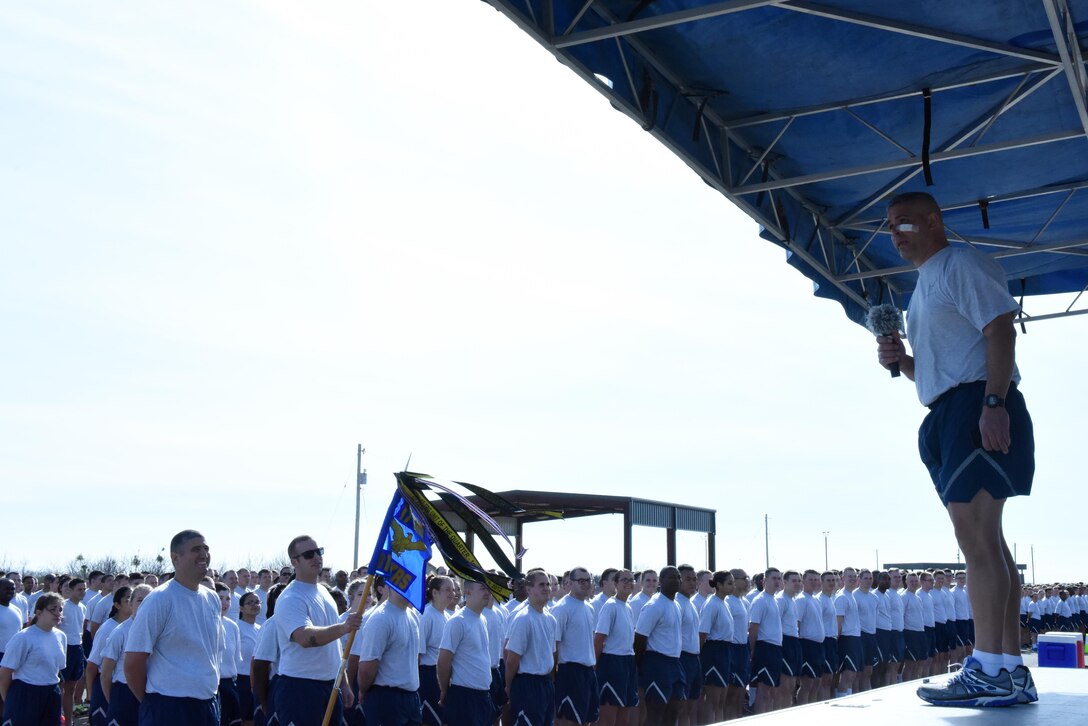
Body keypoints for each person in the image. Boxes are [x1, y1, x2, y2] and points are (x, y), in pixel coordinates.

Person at [876, 190, 1035, 707]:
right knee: (988, 541)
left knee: (978, 542)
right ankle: (1008, 668)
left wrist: (994, 401)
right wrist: (902, 360)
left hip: (975, 406)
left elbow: (1000, 329)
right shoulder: (920, 291)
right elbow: (939, 376)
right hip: (950, 411)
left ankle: (988, 666)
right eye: (890, 226)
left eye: (904, 222)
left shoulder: (959, 264)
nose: (896, 233)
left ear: (933, 221)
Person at [125, 530, 225, 725]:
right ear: (175, 557)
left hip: (208, 704)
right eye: (196, 549)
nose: (204, 554)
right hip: (168, 707)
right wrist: (153, 705)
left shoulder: (212, 598)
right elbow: (132, 664)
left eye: (206, 548)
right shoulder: (159, 600)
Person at [275, 535, 360, 726]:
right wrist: (344, 627)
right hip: (300, 687)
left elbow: (334, 646)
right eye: (308, 554)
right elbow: (304, 637)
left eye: (318, 552)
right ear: (295, 562)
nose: (316, 557)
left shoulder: (324, 592)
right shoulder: (291, 597)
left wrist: (344, 683)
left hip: (330, 685)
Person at [352, 582, 421, 726]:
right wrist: (363, 690)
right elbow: (366, 668)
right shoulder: (381, 618)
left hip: (411, 697)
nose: (410, 586)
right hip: (386, 699)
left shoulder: (412, 616)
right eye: (404, 581)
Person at [0, 593, 67, 725]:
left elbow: (56, 670)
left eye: (60, 609)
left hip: (51, 693)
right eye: (53, 609)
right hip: (25, 693)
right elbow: (5, 673)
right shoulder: (23, 637)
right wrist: (11, 702)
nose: (58, 613)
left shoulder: (61, 636)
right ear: (38, 612)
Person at [437, 579, 494, 726]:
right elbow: (443, 661)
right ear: (468, 592)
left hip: (482, 695)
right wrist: (444, 691)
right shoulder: (458, 621)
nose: (488, 592)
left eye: (488, 589)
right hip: (464, 696)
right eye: (483, 588)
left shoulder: (482, 619)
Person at [504, 570, 557, 726]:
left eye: (548, 584)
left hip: (545, 684)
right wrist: (509, 686)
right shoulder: (523, 618)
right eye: (541, 584)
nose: (546, 588)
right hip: (527, 685)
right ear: (528, 589)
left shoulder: (550, 619)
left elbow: (551, 654)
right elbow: (511, 659)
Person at [633, 566, 684, 725]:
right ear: (661, 581)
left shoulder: (676, 605)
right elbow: (640, 638)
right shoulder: (654, 605)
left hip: (675, 663)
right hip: (657, 663)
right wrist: (640, 666)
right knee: (656, 712)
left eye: (678, 577)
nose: (676, 580)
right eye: (671, 577)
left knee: (674, 710)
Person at [552, 566, 599, 726]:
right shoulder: (562, 608)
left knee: (586, 720)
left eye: (588, 580)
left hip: (587, 672)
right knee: (568, 721)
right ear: (570, 583)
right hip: (569, 672)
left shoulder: (589, 608)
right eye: (581, 581)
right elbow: (554, 646)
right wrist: (554, 677)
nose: (586, 584)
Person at [100, 584, 153, 726]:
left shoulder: (158, 631)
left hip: (152, 693)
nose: (144, 604)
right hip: (124, 694)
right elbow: (105, 674)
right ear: (130, 604)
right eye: (140, 600)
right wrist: (114, 703)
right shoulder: (120, 632)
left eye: (149, 600)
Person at [594, 568, 637, 726]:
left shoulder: (628, 608)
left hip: (628, 663)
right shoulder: (610, 606)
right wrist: (595, 667)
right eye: (624, 580)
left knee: (624, 714)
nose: (628, 583)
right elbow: (599, 639)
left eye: (630, 580)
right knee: (608, 715)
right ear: (616, 584)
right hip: (611, 664)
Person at [85, 586, 132, 726]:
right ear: (117, 605)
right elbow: (92, 665)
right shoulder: (108, 629)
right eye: (128, 599)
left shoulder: (137, 626)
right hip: (105, 686)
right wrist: (91, 695)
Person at [697, 570, 732, 724]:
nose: (733, 586)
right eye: (729, 583)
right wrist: (700, 656)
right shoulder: (711, 604)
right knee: (712, 700)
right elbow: (702, 633)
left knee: (721, 701)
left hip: (725, 652)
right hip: (714, 653)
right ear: (719, 585)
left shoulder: (723, 603)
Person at [747, 568, 783, 714]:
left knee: (771, 691)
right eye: (773, 578)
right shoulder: (760, 600)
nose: (777, 581)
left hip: (775, 649)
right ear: (764, 581)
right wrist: (753, 651)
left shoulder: (773, 600)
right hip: (764, 648)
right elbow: (753, 628)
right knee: (763, 691)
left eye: (779, 578)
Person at [419, 575, 453, 725]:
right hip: (428, 677)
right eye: (447, 590)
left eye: (453, 590)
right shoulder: (426, 616)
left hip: (445, 676)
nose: (452, 593)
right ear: (434, 593)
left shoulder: (448, 616)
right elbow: (417, 655)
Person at [59, 577, 88, 726]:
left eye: (84, 589)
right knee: (60, 687)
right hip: (65, 649)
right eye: (79, 589)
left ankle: (69, 721)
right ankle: (58, 717)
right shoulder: (63, 606)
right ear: (70, 591)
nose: (82, 592)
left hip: (77, 648)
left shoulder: (83, 607)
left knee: (72, 687)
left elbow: (81, 630)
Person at [722, 570, 750, 721]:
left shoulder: (744, 601)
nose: (747, 581)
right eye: (743, 578)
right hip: (732, 649)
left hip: (743, 649)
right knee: (731, 694)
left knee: (740, 693)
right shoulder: (728, 601)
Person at [794, 570, 824, 705]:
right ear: (803, 581)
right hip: (807, 646)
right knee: (807, 683)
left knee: (816, 683)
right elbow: (796, 624)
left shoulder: (815, 600)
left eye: (816, 579)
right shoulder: (801, 599)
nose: (815, 582)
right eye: (811, 579)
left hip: (818, 646)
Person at [216, 583, 244, 726]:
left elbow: (236, 660)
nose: (224, 603)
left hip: (230, 685)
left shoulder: (233, 626)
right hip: (213, 687)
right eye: (220, 598)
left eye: (228, 599)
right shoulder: (203, 623)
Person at [237, 591, 262, 726]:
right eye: (250, 602)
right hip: (241, 679)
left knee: (253, 719)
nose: (254, 605)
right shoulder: (237, 627)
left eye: (257, 602)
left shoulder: (261, 628)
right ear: (241, 608)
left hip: (257, 680)